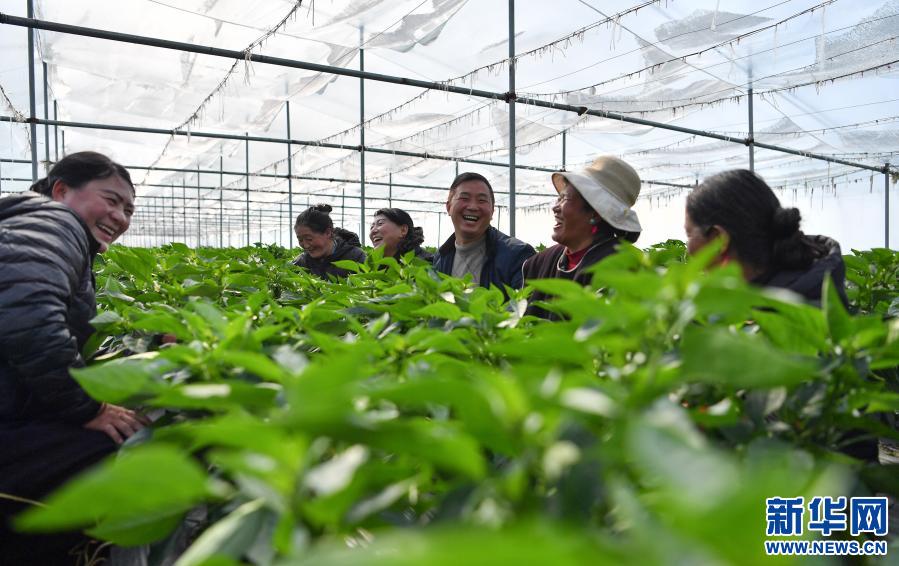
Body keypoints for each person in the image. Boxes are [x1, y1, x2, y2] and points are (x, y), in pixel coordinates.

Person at [0, 151, 147, 562]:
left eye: (128, 210)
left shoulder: (34, 225)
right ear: (61, 190)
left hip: (11, 412)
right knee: (132, 445)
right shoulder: (56, 221)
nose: (120, 217)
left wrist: (151, 339)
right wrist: (89, 408)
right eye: (111, 200)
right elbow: (29, 317)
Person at [684, 168, 848, 306]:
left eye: (689, 234)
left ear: (718, 240)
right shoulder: (809, 284)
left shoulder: (781, 317)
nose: (687, 249)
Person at [522, 156, 643, 320]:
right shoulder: (540, 262)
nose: (555, 208)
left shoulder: (622, 265)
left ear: (596, 213)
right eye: (559, 198)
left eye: (565, 199)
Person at [433, 172, 535, 292]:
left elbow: (524, 301)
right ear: (448, 207)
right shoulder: (441, 257)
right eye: (464, 198)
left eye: (482, 200)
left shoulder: (518, 255)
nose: (473, 207)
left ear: (492, 211)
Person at [292, 204, 366, 279]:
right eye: (300, 240)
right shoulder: (301, 262)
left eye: (309, 239)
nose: (306, 245)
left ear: (328, 233)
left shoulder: (356, 257)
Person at [369, 207, 433, 263]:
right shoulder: (376, 265)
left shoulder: (427, 262)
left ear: (403, 230)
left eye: (380, 223)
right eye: (371, 227)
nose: (373, 231)